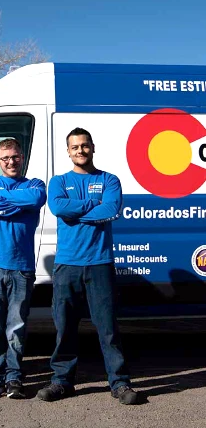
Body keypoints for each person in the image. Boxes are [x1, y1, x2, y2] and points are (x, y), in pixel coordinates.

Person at [37, 127, 139, 405]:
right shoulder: (58, 182)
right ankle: (61, 382)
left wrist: (78, 210)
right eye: (75, 147)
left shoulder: (110, 179)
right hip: (67, 265)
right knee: (65, 327)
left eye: (84, 146)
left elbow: (110, 210)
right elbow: (59, 209)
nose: (80, 151)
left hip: (100, 263)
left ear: (92, 147)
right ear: (67, 151)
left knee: (108, 329)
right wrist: (92, 204)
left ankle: (119, 383)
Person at [0, 138, 46, 399]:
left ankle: (14, 377)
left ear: (22, 156)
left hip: (21, 267)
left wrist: (2, 201)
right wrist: (19, 204)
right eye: (5, 158)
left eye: (15, 157)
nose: (11, 162)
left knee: (16, 327)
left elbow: (36, 198)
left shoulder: (35, 185)